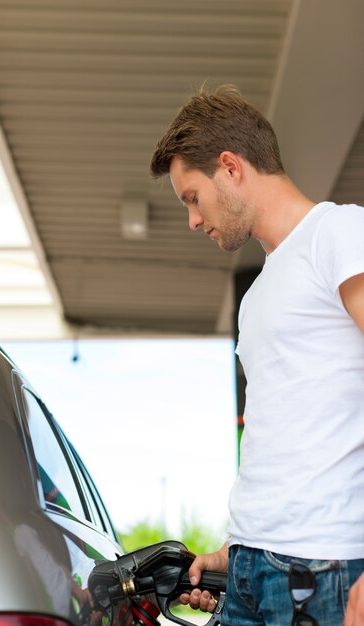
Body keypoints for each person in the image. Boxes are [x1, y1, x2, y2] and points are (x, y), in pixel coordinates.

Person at [150, 84, 364, 626]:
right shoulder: (260, 295)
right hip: (253, 567)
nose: (193, 221)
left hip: (325, 568)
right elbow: (283, 432)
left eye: (192, 198)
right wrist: (233, 551)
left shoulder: (339, 233)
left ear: (230, 167)